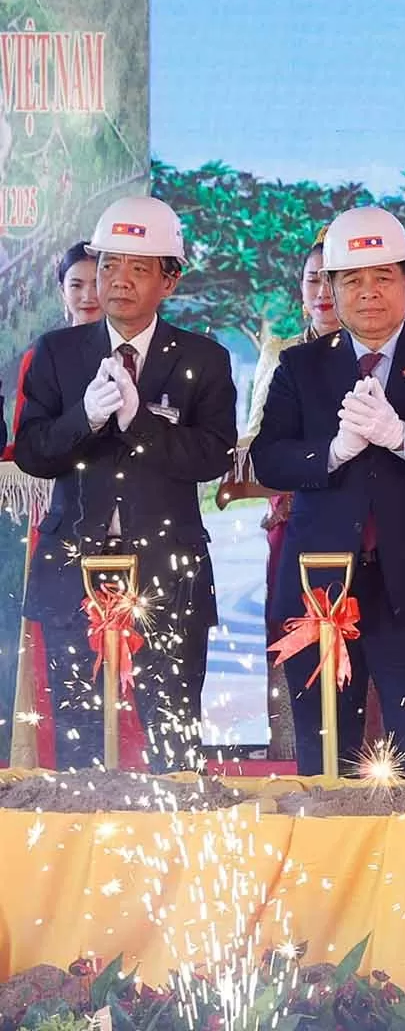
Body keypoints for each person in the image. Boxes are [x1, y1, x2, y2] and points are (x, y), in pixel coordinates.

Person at [254, 207, 405, 776]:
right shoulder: (300, 366)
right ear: (331, 290)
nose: (368, 293)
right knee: (325, 750)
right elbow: (269, 457)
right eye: (352, 280)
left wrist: (402, 437)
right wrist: (333, 452)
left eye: (383, 277)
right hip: (322, 583)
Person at [15, 196, 237, 771]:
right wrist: (83, 419)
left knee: (172, 730)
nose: (118, 281)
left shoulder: (203, 359)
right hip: (72, 567)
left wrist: (139, 423)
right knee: (78, 732)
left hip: (168, 567)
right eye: (110, 265)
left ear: (170, 279)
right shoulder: (58, 353)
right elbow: (35, 453)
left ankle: (175, 848)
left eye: (139, 268)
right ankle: (79, 851)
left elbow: (212, 456)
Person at [236, 231, 342, 762]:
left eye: (333, 277)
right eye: (313, 279)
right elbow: (255, 447)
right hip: (295, 524)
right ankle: (295, 760)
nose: (323, 290)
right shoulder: (281, 355)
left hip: (368, 529)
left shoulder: (379, 353)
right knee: (295, 640)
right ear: (300, 289)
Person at [8, 242, 105, 767]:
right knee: (72, 681)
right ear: (60, 289)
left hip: (130, 539)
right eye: (77, 284)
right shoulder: (42, 355)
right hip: (62, 529)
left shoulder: (134, 353)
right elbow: (27, 444)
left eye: (98, 282)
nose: (89, 295)